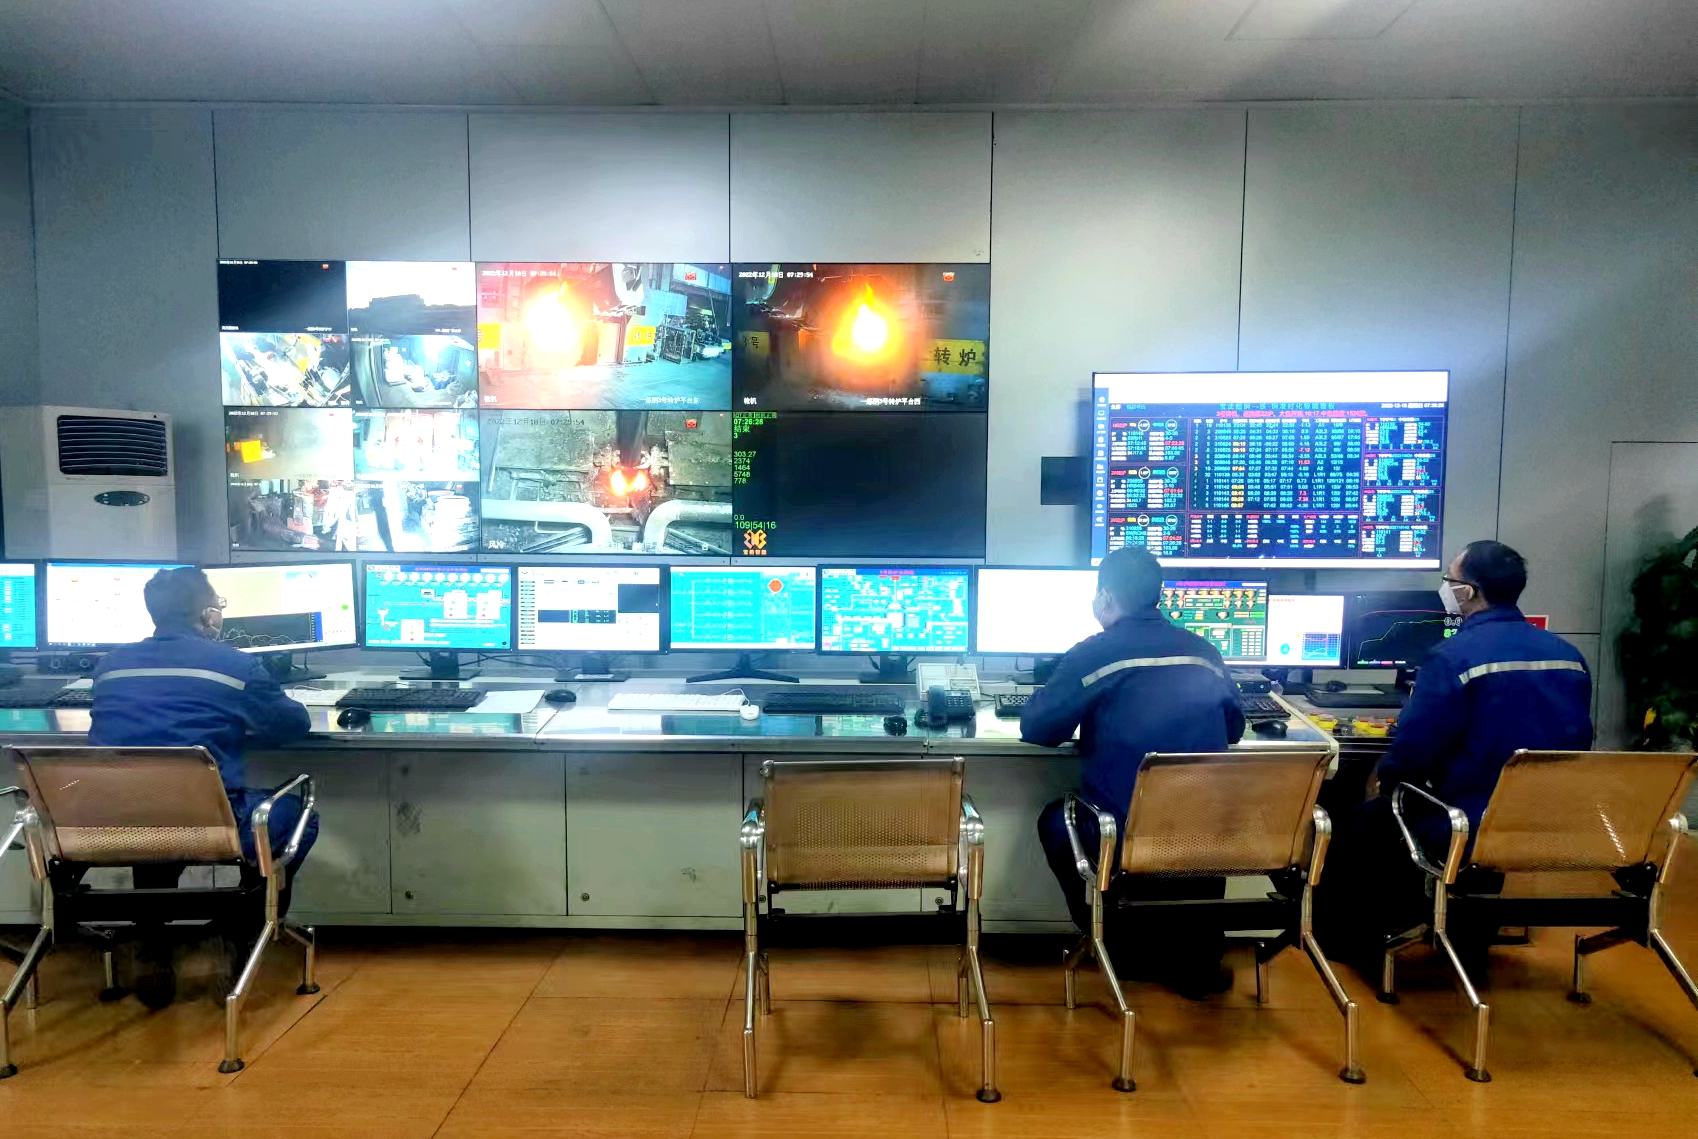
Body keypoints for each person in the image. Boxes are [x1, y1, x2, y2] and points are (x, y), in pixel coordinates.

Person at [1317, 540, 1592, 968]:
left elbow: (1413, 752)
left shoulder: (1451, 658)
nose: (1446, 587)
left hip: (1465, 820)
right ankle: (1469, 938)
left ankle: (1347, 946)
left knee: (1356, 817)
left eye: (1450, 579)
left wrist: (1385, 784)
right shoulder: (1569, 656)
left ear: (1468, 591)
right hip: (1545, 818)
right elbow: (1579, 741)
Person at [88, 567, 317, 1007]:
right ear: (209, 616)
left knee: (153, 811)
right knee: (297, 817)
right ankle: (242, 930)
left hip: (119, 821)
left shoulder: (110, 666)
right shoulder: (236, 665)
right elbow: (291, 725)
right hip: (211, 823)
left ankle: (151, 942)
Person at [1023, 547, 1246, 994]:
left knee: (1055, 821)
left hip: (1124, 835)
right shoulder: (1204, 652)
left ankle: (1116, 945)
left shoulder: (1095, 653)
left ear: (1105, 598)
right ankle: (1197, 955)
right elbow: (1235, 727)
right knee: (1199, 815)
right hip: (1206, 834)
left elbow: (1038, 728)